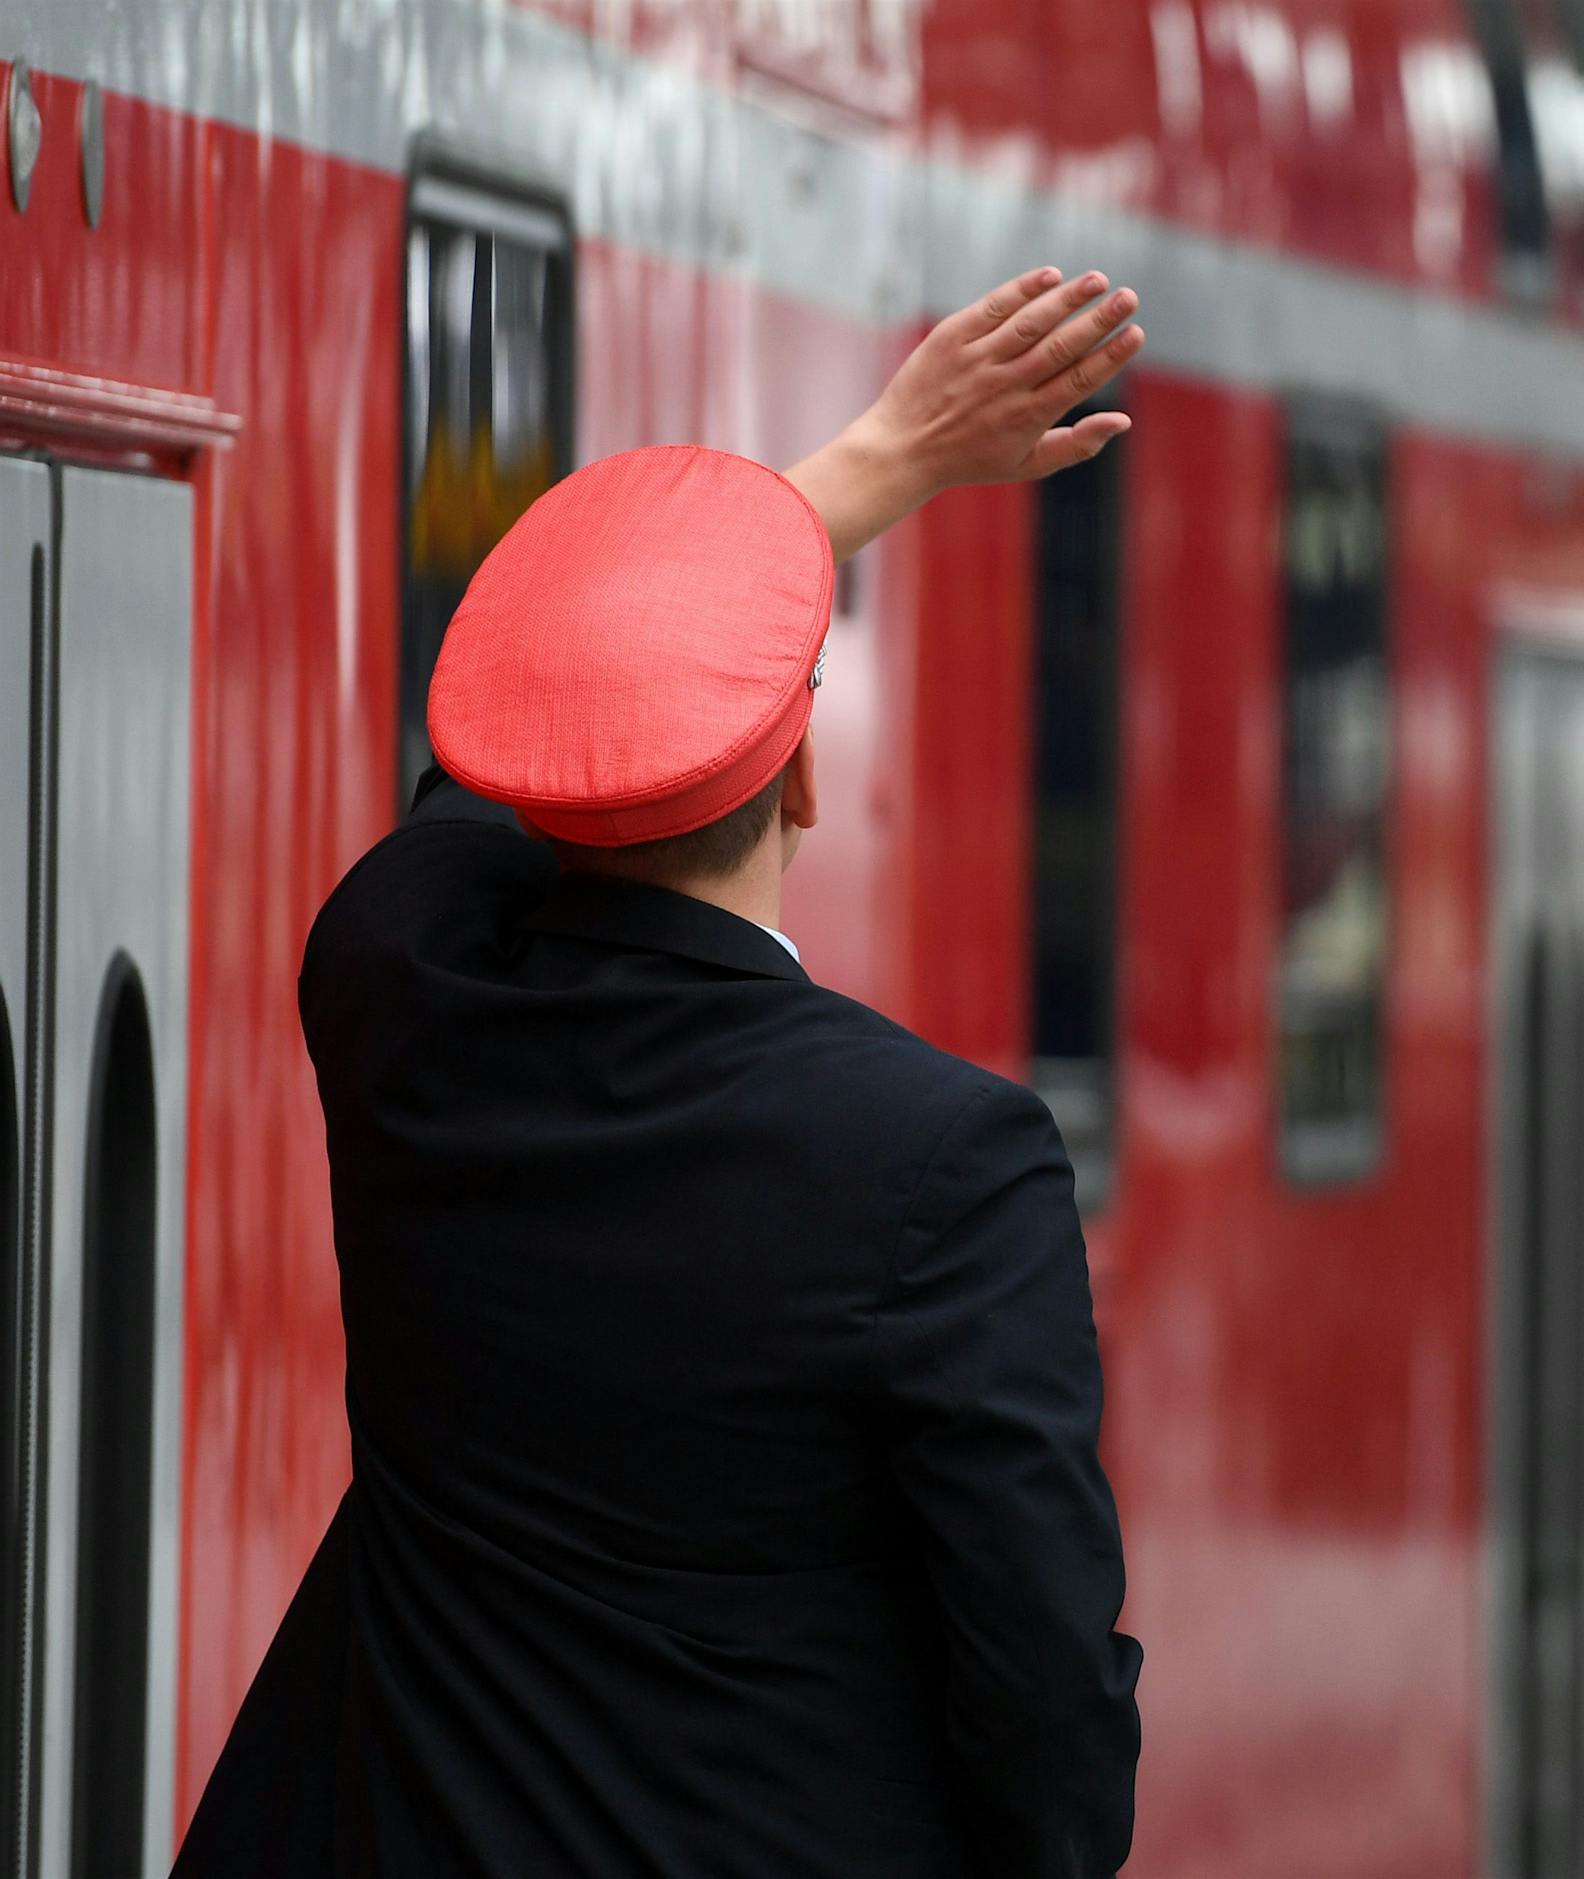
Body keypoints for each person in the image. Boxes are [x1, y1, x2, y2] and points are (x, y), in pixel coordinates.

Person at [173, 266, 1146, 1879]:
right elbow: (1047, 1720)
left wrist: (871, 465)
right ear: (810, 772)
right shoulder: (945, 1163)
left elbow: (488, 788)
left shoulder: (401, 1001)